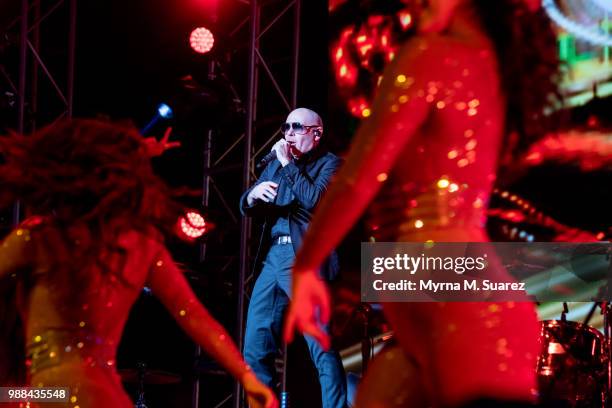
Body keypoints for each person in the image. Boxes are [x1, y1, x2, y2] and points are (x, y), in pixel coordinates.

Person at [284, 1, 561, 407]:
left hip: (460, 304)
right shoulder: (484, 67)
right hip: (455, 302)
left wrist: (307, 264)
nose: (412, 4)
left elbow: (359, 178)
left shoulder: (432, 58)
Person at [0, 119, 277, 408]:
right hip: (105, 397)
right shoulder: (141, 247)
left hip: (47, 394)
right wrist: (247, 377)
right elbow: (196, 317)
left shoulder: (39, 237)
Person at [240, 108, 348, 408]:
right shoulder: (276, 164)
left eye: (297, 127)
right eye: (286, 126)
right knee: (255, 345)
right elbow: (249, 202)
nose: (289, 132)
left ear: (316, 132)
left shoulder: (331, 164)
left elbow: (313, 200)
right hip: (274, 257)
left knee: (320, 345)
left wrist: (287, 164)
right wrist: (251, 195)